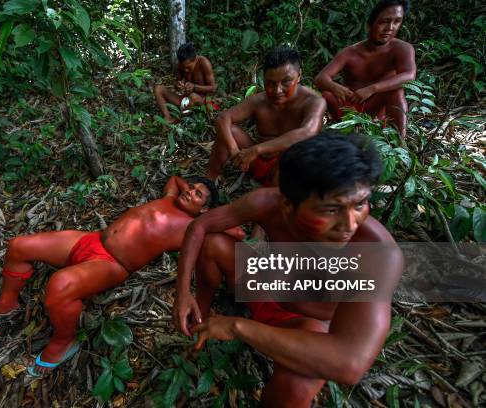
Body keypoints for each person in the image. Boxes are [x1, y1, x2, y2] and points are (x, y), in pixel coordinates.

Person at [173, 131, 404, 407]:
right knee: (213, 245)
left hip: (306, 324)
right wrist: (183, 291)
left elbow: (350, 362)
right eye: (330, 210)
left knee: (294, 386)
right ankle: (199, 324)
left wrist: (237, 327)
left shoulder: (378, 252)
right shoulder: (266, 203)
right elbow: (201, 225)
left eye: (360, 204)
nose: (349, 224)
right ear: (288, 204)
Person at [0, 176, 243, 376]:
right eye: (192, 189)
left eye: (198, 195)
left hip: (112, 263)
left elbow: (237, 232)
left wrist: (210, 215)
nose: (190, 193)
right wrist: (189, 191)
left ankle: (65, 341)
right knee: (19, 246)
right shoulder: (170, 195)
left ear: (207, 210)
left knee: (60, 285)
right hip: (91, 240)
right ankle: (8, 302)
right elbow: (175, 178)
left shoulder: (196, 226)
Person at [207, 46, 325, 187]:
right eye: (270, 83)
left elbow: (308, 132)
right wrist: (235, 152)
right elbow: (223, 118)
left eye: (286, 81)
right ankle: (208, 181)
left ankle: (271, 197)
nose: (277, 90)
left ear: (299, 76)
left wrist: (257, 150)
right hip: (255, 163)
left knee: (293, 160)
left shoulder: (314, 101)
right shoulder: (259, 100)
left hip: (287, 168)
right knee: (227, 131)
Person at [314, 0, 416, 138]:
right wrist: (336, 87)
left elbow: (409, 75)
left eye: (397, 21)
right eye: (384, 22)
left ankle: (400, 143)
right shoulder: (350, 52)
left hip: (377, 114)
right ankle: (344, 131)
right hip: (349, 111)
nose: (390, 27)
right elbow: (321, 78)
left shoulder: (402, 48)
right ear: (369, 26)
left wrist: (372, 88)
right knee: (327, 94)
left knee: (396, 91)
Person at [154, 43, 217, 124]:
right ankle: (167, 117)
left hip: (202, 102)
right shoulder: (181, 65)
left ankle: (175, 121)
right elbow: (177, 82)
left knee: (193, 96)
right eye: (183, 67)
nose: (186, 70)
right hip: (185, 100)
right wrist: (178, 85)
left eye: (188, 67)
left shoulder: (204, 63)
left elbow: (213, 88)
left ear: (195, 59)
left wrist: (194, 87)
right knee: (158, 88)